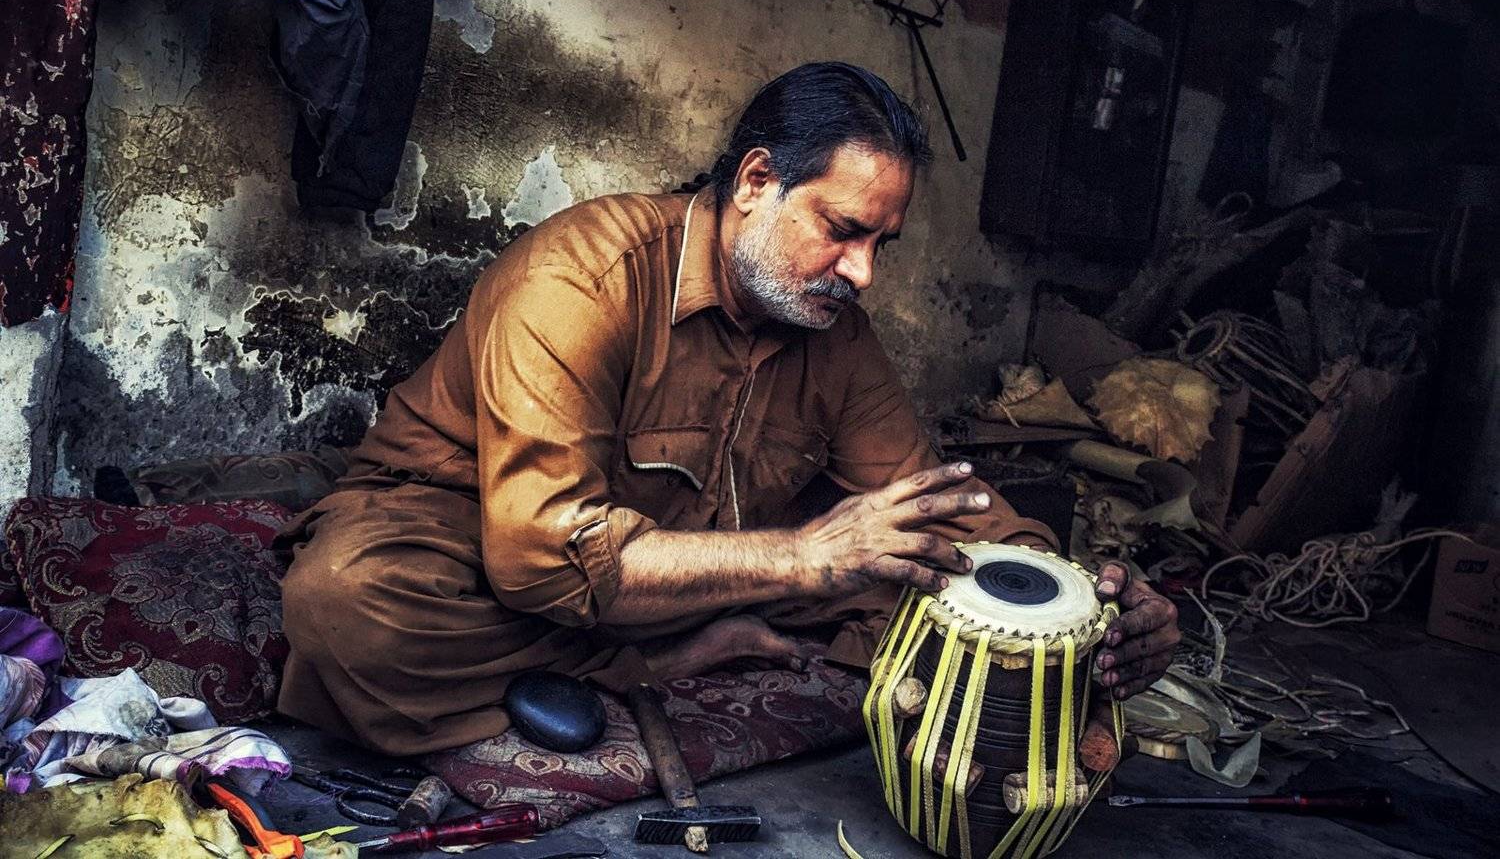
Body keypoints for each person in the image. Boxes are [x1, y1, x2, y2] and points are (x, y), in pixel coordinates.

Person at [277, 62, 1179, 755]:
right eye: (843, 230)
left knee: (932, 602)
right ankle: (649, 660)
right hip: (474, 541)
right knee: (345, 608)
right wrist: (800, 558)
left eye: (883, 243)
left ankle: (666, 635)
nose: (864, 272)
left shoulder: (837, 333)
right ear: (754, 182)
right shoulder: (583, 278)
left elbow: (937, 509)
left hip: (676, 570)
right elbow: (540, 561)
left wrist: (1081, 603)